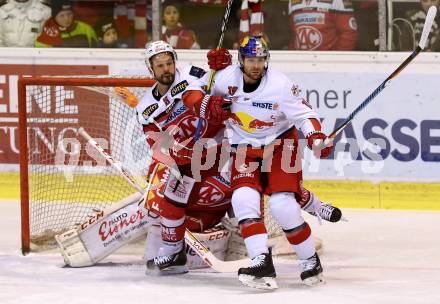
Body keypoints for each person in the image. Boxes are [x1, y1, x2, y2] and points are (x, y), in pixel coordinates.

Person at [124, 40, 342, 276]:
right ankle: (181, 252)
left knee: (281, 202)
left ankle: (314, 221)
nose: (166, 69)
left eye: (169, 63)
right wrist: (174, 151)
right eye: (160, 65)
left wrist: (315, 136)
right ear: (151, 69)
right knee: (188, 199)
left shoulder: (190, 73)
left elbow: (197, 91)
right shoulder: (147, 106)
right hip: (211, 153)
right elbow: (156, 142)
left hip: (239, 147)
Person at [183, 36, 334, 289]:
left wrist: (315, 136)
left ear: (267, 60)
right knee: (243, 199)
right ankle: (261, 262)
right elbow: (191, 91)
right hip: (244, 148)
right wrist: (206, 100)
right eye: (251, 60)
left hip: (279, 146)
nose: (256, 65)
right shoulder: (225, 77)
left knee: (282, 205)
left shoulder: (281, 85)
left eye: (261, 60)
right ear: (241, 60)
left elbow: (306, 115)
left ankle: (310, 261)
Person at [288, 0, 358, 51]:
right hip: (301, 61)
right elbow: (292, 34)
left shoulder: (338, 1)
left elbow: (349, 32)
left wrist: (336, 59)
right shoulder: (292, 2)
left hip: (328, 62)